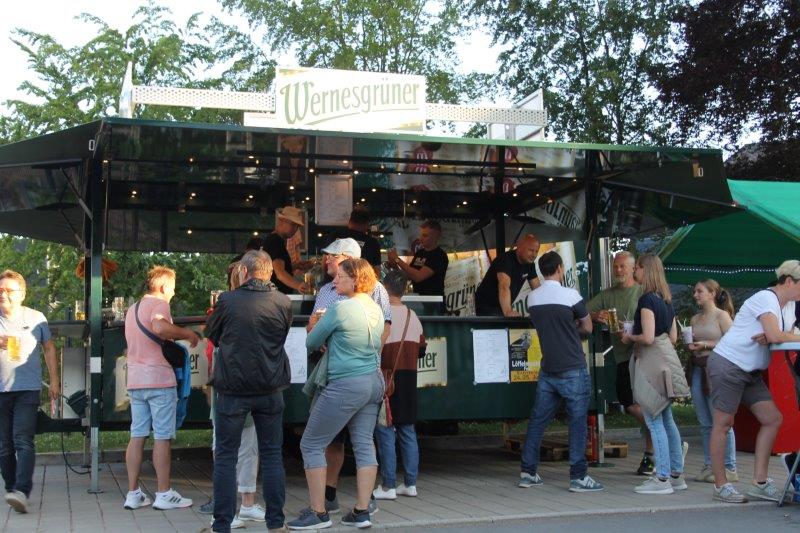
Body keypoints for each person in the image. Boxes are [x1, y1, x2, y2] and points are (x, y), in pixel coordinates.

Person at [288, 259, 385, 530]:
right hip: (373, 381)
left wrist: (313, 323)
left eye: (340, 276)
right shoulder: (376, 308)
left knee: (311, 444)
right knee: (364, 444)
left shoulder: (339, 308)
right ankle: (361, 512)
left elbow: (311, 342)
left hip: (345, 383)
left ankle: (318, 513)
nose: (335, 280)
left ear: (356, 279)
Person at [205, 250, 292, 532]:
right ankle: (276, 522)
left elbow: (212, 334)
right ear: (270, 273)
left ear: (243, 271)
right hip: (270, 385)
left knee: (226, 456)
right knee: (272, 454)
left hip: (233, 387)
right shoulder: (283, 301)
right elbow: (281, 336)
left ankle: (222, 523)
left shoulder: (227, 300)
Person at [706, 260, 800, 503]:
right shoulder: (766, 298)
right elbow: (776, 335)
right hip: (728, 364)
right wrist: (774, 336)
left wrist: (774, 336)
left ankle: (760, 482)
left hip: (750, 371)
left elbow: (781, 335)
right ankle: (721, 486)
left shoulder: (789, 306)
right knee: (723, 424)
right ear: (789, 281)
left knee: (773, 419)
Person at [310, 238, 391, 516]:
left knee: (314, 442)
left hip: (347, 377)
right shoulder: (328, 292)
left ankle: (320, 512)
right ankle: (350, 504)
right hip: (352, 375)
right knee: (349, 441)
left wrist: (354, 348)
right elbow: (315, 332)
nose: (327, 260)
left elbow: (385, 329)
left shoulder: (368, 293)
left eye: (333, 257)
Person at [518, 251, 603, 493]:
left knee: (537, 421)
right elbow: (587, 327)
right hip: (573, 366)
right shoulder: (571, 295)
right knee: (577, 422)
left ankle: (528, 473)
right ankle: (578, 477)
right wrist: (572, 326)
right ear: (559, 269)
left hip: (548, 368)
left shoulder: (533, 298)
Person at [199, 260, 271, 529]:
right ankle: (240, 505)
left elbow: (211, 342)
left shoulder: (225, 305)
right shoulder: (263, 303)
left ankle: (233, 507)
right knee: (240, 447)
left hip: (228, 383)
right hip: (247, 382)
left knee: (230, 447)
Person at [124, 266, 200, 511]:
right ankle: (164, 493)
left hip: (136, 381)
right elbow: (159, 327)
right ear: (163, 286)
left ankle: (133, 494)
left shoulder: (131, 309)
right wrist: (187, 333)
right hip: (159, 380)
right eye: (173, 288)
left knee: (137, 435)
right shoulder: (160, 305)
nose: (173, 293)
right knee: (162, 437)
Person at [621, 254, 689, 495]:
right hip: (666, 361)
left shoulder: (647, 300)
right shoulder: (666, 300)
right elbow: (673, 337)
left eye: (637, 268)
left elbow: (648, 337)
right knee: (667, 419)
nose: (634, 272)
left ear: (645, 270)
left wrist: (629, 336)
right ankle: (677, 475)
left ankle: (661, 478)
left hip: (651, 364)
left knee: (653, 419)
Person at [586, 251, 654, 475]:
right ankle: (661, 436)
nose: (618, 270)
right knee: (630, 404)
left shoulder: (642, 292)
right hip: (622, 357)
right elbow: (583, 310)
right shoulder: (608, 294)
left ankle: (652, 453)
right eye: (615, 266)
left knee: (643, 405)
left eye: (623, 266)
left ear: (634, 268)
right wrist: (595, 316)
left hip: (643, 356)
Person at [0, 270, 59, 514]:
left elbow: (49, 349)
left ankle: (21, 491)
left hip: (27, 389)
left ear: (22, 294)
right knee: (4, 446)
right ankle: (12, 488)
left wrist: (54, 381)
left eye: (9, 290)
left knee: (22, 440)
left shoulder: (36, 318)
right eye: (0, 290)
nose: (3, 294)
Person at [372, 270, 426, 500]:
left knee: (385, 430)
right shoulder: (414, 316)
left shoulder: (379, 315)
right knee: (407, 430)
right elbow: (422, 349)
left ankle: (388, 486)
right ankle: (410, 484)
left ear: (384, 289)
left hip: (386, 380)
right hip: (409, 379)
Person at [686, 279, 737, 483]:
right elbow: (692, 342)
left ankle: (729, 466)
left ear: (712, 294)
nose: (695, 295)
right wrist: (690, 344)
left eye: (699, 291)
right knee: (704, 421)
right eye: (695, 291)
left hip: (716, 369)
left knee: (721, 420)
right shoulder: (695, 319)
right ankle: (710, 465)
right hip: (698, 369)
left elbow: (733, 341)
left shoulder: (722, 316)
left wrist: (706, 344)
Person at [474, 234, 541, 317]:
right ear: (519, 247)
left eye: (536, 251)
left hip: (501, 307)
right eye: (531, 250)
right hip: (484, 307)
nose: (534, 255)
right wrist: (508, 311)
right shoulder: (505, 260)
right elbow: (504, 287)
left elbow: (538, 290)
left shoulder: (530, 264)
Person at [387, 219, 448, 300]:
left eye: (425, 236)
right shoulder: (420, 253)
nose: (421, 239)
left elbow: (418, 277)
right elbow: (408, 275)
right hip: (418, 299)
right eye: (421, 235)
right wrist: (394, 265)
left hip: (433, 301)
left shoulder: (438, 255)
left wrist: (397, 260)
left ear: (435, 237)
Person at [263, 206, 311, 294]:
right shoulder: (276, 241)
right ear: (282, 221)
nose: (296, 229)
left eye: (297, 226)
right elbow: (279, 273)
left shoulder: (276, 240)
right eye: (293, 225)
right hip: (276, 295)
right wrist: (298, 285)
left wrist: (296, 266)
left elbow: (274, 269)